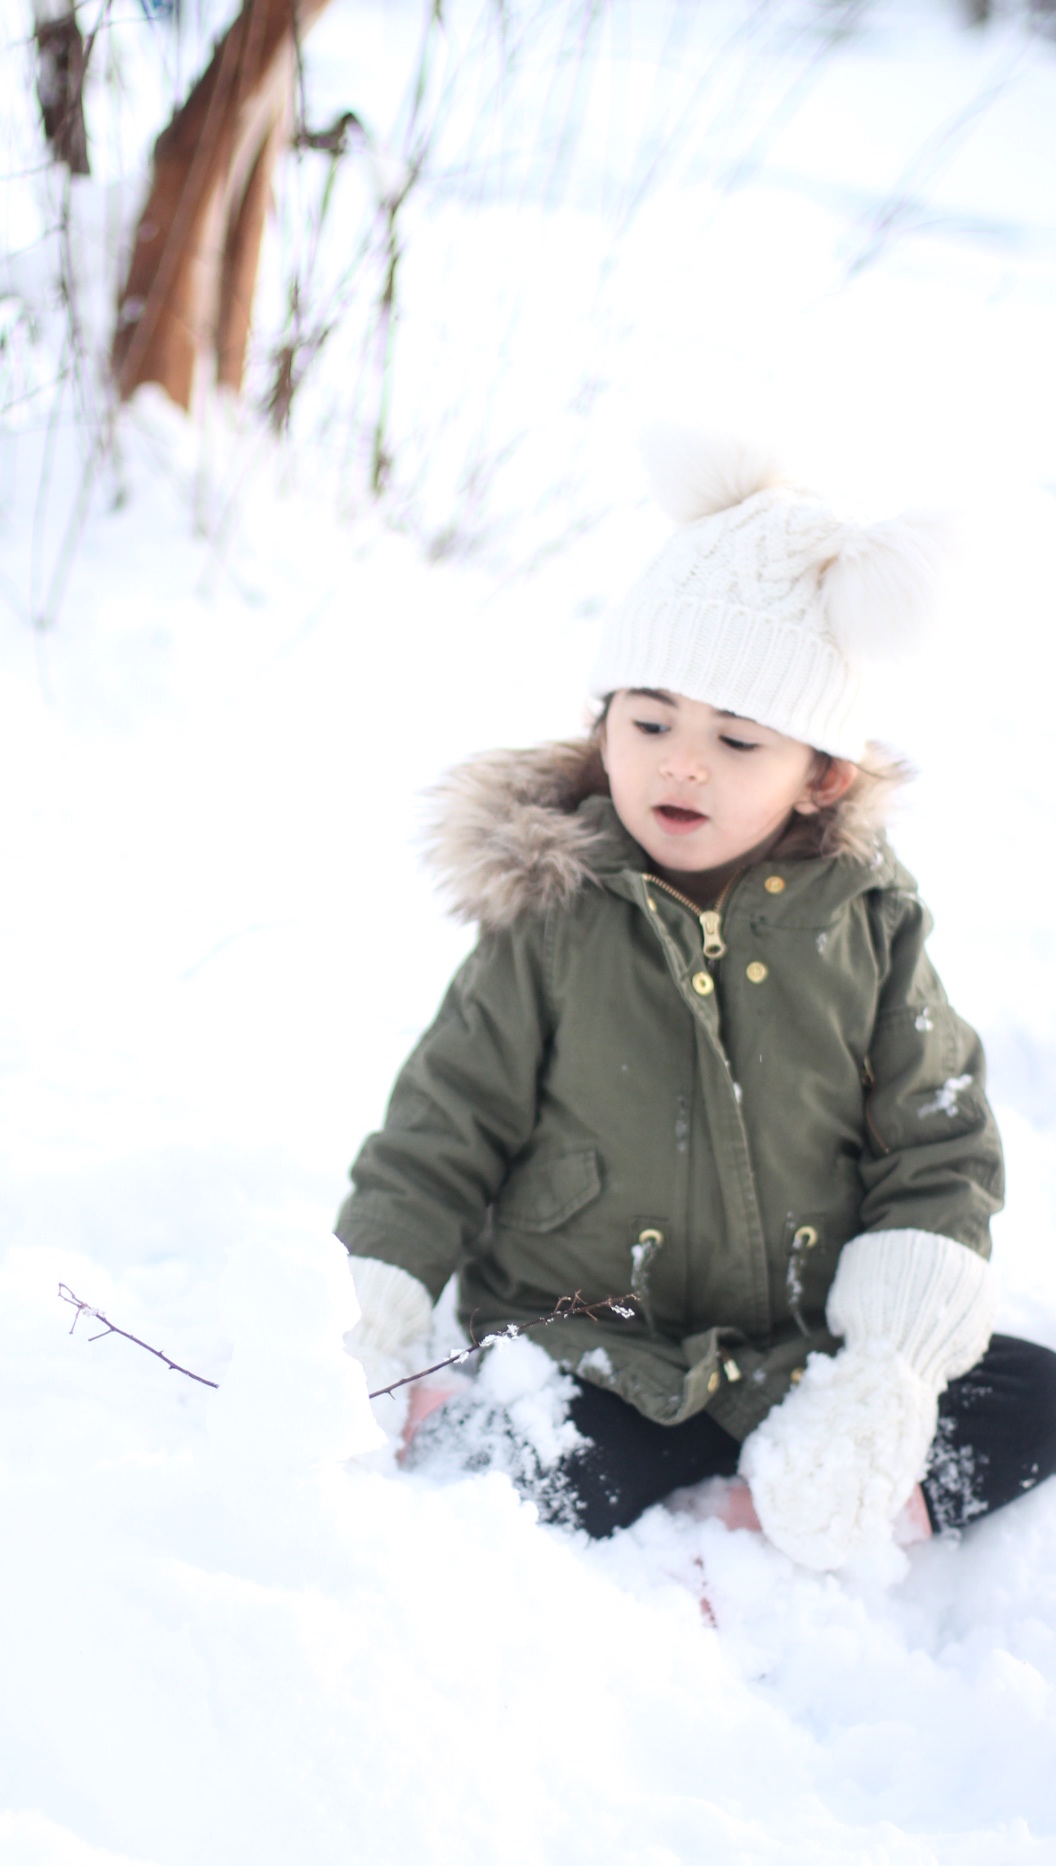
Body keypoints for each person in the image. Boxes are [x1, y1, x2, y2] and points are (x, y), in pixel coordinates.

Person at [336, 427, 1056, 1572]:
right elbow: (441, 1129)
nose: (682, 764)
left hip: (792, 1348)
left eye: (735, 739)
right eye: (650, 719)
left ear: (818, 772)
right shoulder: (553, 914)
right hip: (594, 1341)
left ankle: (790, 1508)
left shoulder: (865, 926)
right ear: (603, 721)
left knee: (1032, 1397)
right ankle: (631, 1501)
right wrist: (374, 1312)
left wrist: (879, 1377)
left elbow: (936, 1152)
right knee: (529, 1475)